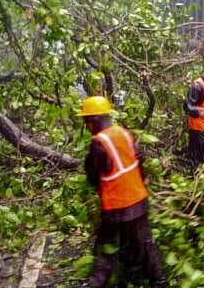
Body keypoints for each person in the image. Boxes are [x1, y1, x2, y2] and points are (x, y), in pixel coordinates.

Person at [77, 96, 167, 288]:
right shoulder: (124, 133)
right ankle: (159, 281)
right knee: (145, 244)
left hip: (116, 205)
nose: (86, 127)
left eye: (87, 122)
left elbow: (93, 176)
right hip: (138, 198)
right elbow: (138, 159)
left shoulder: (98, 143)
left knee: (107, 249)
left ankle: (95, 284)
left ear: (93, 121)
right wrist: (143, 179)